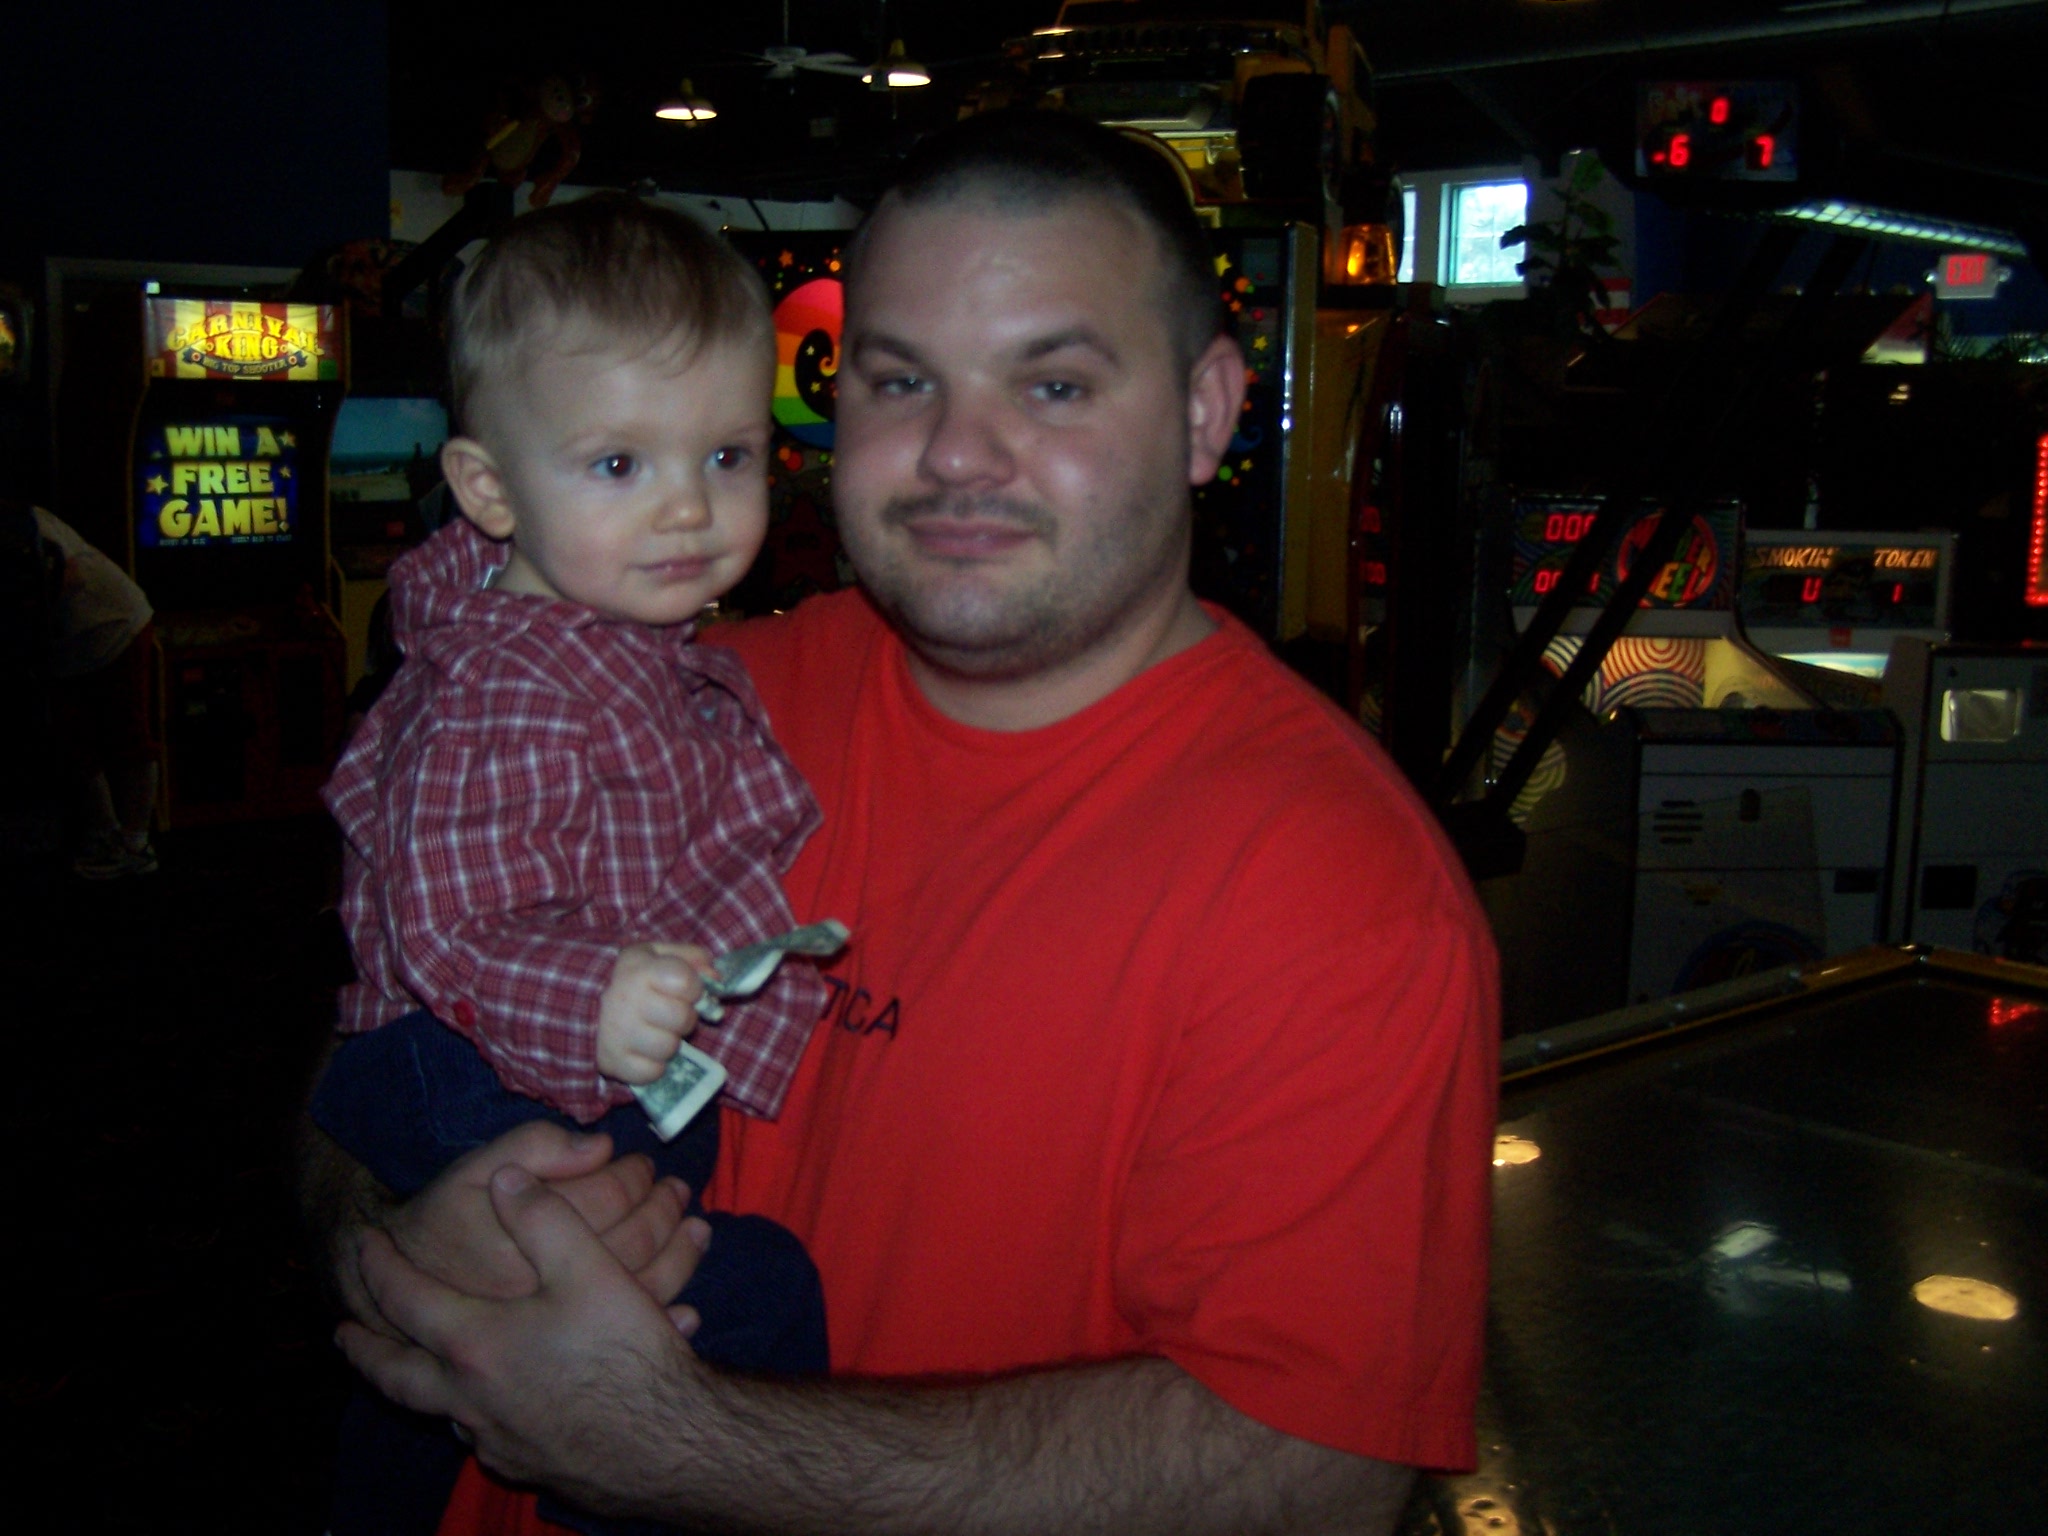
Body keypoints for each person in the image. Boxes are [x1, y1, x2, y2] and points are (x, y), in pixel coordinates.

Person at [307, 110, 1500, 1536]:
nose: (954, 454)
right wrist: (401, 1229)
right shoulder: (678, 692)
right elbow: (375, 1049)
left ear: (1205, 413)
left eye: (1051, 385)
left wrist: (671, 1439)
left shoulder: (1337, 892)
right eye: (898, 380)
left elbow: (1312, 1474)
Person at [311, 192, 831, 1535]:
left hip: (526, 1056)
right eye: (617, 464)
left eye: (727, 455)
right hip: (473, 1054)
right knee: (739, 1304)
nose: (688, 508)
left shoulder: (611, 646)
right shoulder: (513, 684)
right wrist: (594, 992)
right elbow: (451, 923)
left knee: (498, 1347)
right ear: (488, 488)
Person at [32, 505, 160, 878]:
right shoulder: (23, 517)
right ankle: (108, 836)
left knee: (129, 735)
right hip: (71, 641)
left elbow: (67, 574)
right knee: (74, 741)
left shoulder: (22, 522)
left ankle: (136, 844)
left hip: (113, 624)